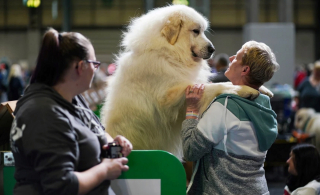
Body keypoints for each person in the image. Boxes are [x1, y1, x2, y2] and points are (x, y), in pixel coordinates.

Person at [10, 28, 132, 195]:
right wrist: (104, 170)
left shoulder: (72, 100)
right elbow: (61, 186)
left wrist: (114, 147)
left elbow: (96, 136)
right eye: (94, 64)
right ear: (80, 67)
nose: (96, 70)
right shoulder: (43, 114)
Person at [182, 40, 280, 195]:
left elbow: (190, 150)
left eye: (237, 57)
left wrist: (192, 110)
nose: (231, 58)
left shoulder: (225, 107)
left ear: (245, 69)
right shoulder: (264, 105)